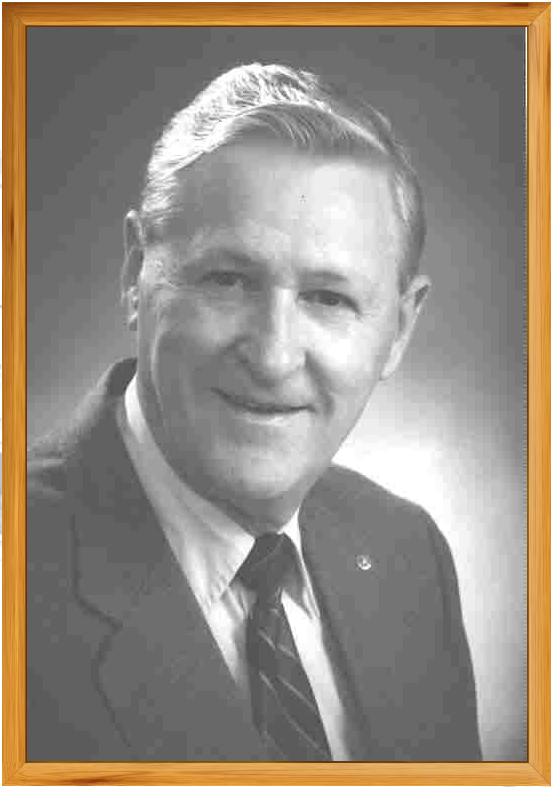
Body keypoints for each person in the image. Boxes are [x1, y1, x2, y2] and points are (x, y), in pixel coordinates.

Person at [27, 63, 482, 762]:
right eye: (228, 280)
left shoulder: (406, 554)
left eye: (328, 297)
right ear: (134, 276)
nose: (273, 357)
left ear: (398, 329)